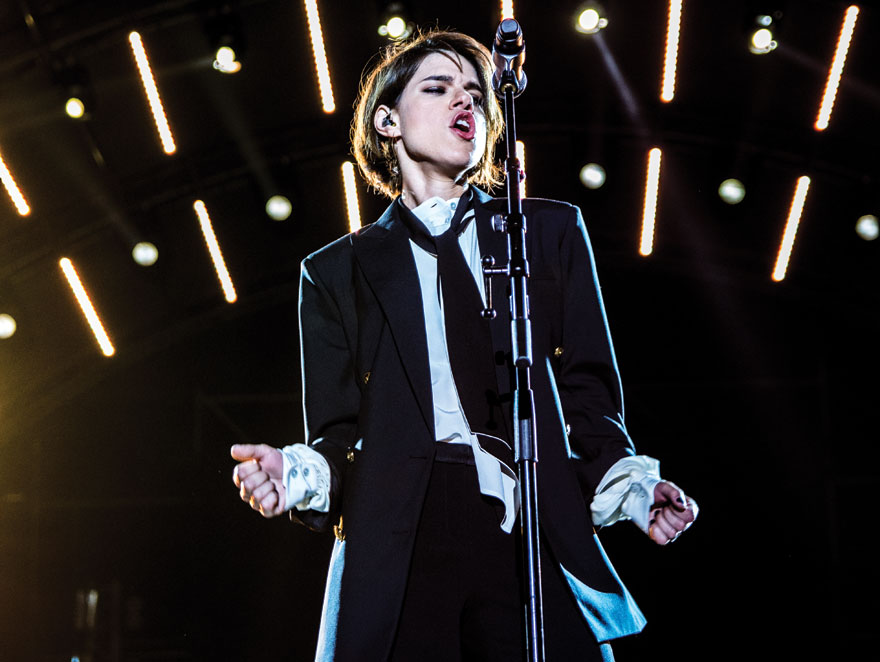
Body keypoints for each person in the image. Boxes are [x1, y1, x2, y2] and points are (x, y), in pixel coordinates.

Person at [231, 29, 697, 662]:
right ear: (388, 121)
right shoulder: (338, 269)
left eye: (476, 93)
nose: (464, 101)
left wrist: (636, 488)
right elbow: (337, 436)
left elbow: (590, 392)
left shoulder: (546, 231)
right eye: (438, 87)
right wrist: (296, 475)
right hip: (404, 529)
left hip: (523, 517)